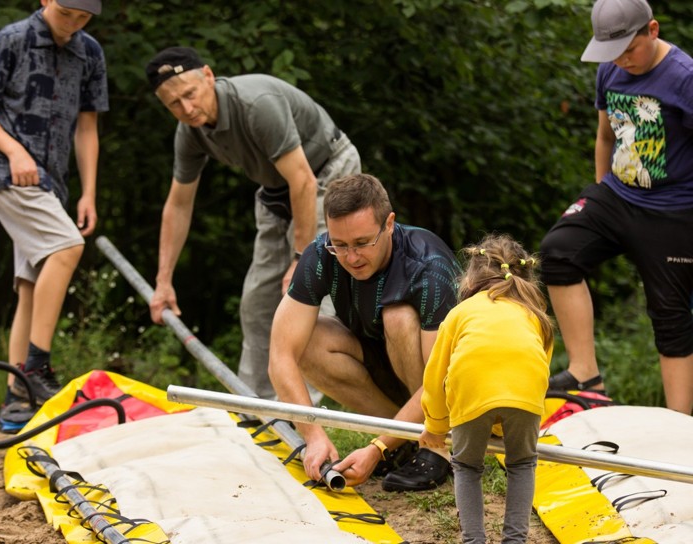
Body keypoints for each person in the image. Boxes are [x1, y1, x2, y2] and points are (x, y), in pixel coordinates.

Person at [144, 46, 361, 400]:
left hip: (328, 173)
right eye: (173, 105)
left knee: (307, 298)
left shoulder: (256, 104)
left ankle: (302, 413)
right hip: (277, 189)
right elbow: (179, 204)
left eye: (190, 94)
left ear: (209, 77)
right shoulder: (190, 133)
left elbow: (304, 182)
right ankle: (256, 407)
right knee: (257, 300)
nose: (186, 109)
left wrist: (299, 260)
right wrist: (163, 281)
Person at [0, 0, 108, 432]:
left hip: (53, 186)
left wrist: (89, 193)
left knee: (31, 285)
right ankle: (37, 368)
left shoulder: (90, 52)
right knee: (67, 248)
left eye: (83, 18)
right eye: (66, 13)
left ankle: (16, 400)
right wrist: (13, 149)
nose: (73, 24)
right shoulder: (12, 39)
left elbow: (87, 128)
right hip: (9, 173)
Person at [540, 0, 693, 415]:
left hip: (675, 209)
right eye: (614, 53)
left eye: (630, 49)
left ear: (653, 30)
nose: (623, 60)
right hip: (618, 194)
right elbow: (605, 136)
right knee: (558, 252)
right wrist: (599, 191)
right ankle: (586, 376)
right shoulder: (610, 69)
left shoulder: (684, 78)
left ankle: (680, 426)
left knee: (670, 315)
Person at [268, 173, 461, 491]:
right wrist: (312, 435)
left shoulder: (428, 267)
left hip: (445, 388)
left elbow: (441, 379)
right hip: (383, 366)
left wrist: (377, 448)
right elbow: (280, 355)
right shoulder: (320, 255)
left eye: (361, 243)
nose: (351, 257)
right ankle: (404, 440)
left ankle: (434, 446)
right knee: (306, 342)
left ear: (388, 224)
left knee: (397, 316)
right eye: (340, 245)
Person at [421, 234, 553, 544]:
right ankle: (514, 540)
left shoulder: (460, 314)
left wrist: (436, 427)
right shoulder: (535, 317)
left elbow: (436, 374)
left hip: (471, 390)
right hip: (525, 395)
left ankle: (474, 540)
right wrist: (503, 427)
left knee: (467, 465)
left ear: (470, 276)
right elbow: (536, 373)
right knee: (522, 463)